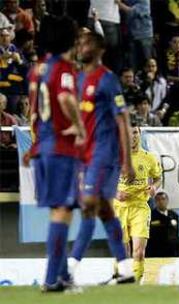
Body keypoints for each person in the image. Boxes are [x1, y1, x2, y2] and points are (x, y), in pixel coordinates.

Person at [67, 32, 136, 285]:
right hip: (85, 155)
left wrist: (127, 161)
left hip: (104, 154)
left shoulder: (107, 80)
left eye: (85, 44)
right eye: (79, 43)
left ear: (99, 50)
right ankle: (127, 269)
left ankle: (69, 269)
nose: (80, 47)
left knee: (88, 206)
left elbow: (123, 119)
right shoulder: (79, 78)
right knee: (106, 212)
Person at [27, 15, 86, 292]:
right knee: (62, 212)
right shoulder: (64, 68)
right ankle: (52, 278)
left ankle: (61, 277)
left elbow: (32, 112)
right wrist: (79, 126)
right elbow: (65, 97)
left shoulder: (37, 69)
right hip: (61, 148)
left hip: (43, 147)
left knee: (58, 211)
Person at [113, 126, 162, 282]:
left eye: (135, 132)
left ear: (140, 134)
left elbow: (158, 178)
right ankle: (121, 280)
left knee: (139, 251)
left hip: (140, 207)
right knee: (122, 251)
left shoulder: (149, 158)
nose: (132, 136)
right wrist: (116, 193)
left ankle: (136, 284)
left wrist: (154, 187)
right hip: (119, 208)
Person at [147, 192, 179, 257]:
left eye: (163, 199)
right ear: (155, 202)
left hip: (171, 250)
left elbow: (176, 233)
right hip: (155, 251)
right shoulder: (150, 215)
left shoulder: (174, 215)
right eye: (158, 200)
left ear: (167, 200)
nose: (161, 201)